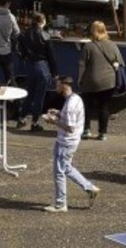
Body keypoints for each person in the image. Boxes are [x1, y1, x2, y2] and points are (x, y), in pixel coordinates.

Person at [42, 76, 100, 212]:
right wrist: (59, 113)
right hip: (69, 141)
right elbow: (70, 118)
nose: (55, 87)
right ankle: (90, 188)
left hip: (66, 142)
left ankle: (60, 203)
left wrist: (52, 121)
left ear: (64, 85)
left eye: (57, 85)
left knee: (59, 172)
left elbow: (70, 127)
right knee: (66, 167)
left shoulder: (70, 105)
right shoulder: (75, 98)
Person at [78, 21, 123, 140]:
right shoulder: (112, 45)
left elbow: (82, 65)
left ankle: (86, 130)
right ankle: (102, 133)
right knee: (104, 107)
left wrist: (80, 78)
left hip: (90, 81)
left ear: (93, 31)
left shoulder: (88, 46)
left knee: (87, 106)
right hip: (108, 82)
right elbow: (118, 63)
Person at [16, 12, 58, 131]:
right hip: (42, 66)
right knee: (39, 97)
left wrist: (24, 57)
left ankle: (22, 118)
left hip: (30, 66)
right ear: (42, 21)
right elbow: (52, 57)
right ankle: (34, 122)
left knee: (29, 93)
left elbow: (18, 49)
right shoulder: (46, 36)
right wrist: (55, 73)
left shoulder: (24, 34)